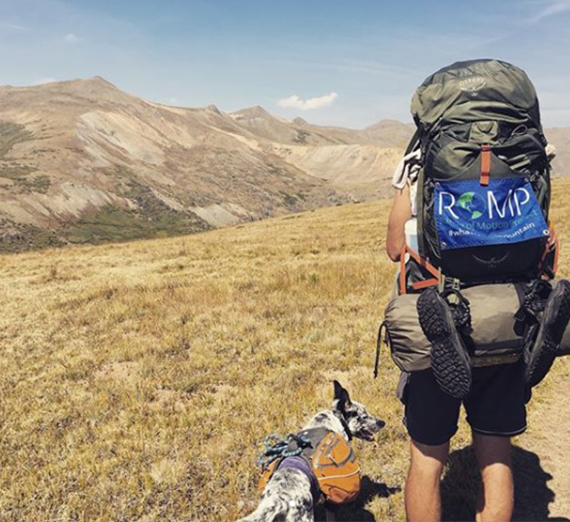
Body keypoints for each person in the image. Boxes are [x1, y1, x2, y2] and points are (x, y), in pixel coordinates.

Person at [387, 181, 526, 522]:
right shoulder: (522, 146)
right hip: (504, 319)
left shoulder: (418, 156)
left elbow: (395, 248)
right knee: (496, 456)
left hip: (436, 324)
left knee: (427, 457)